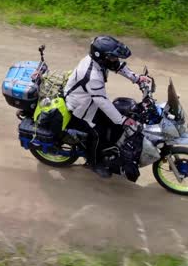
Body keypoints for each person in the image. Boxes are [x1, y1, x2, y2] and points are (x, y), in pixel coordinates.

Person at [64, 35, 153, 178]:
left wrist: (137, 78)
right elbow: (102, 102)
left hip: (90, 100)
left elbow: (118, 66)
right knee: (98, 133)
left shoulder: (101, 62)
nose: (115, 60)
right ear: (102, 57)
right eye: (112, 57)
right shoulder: (92, 75)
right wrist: (122, 120)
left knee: (120, 118)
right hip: (81, 107)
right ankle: (94, 163)